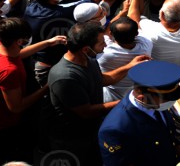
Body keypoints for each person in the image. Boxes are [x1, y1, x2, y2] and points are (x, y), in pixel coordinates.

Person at [46, 22, 149, 165]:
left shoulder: (88, 60)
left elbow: (102, 79)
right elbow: (86, 112)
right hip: (73, 138)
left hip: (92, 129)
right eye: (101, 43)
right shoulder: (65, 77)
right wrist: (128, 101)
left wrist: (130, 66)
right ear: (86, 49)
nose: (105, 46)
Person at [0, 18, 66, 164]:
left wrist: (48, 42)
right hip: (1, 125)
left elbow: (19, 54)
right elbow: (16, 107)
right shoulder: (9, 71)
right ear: (19, 41)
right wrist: (46, 88)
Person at [98, 60, 180, 166]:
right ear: (142, 98)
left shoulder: (155, 104)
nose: (170, 102)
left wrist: (176, 147)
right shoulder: (115, 129)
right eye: (165, 99)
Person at [98, 17, 154, 103]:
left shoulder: (105, 53)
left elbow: (104, 36)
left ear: (111, 33)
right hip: (136, 96)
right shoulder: (146, 45)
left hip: (111, 98)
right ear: (136, 33)